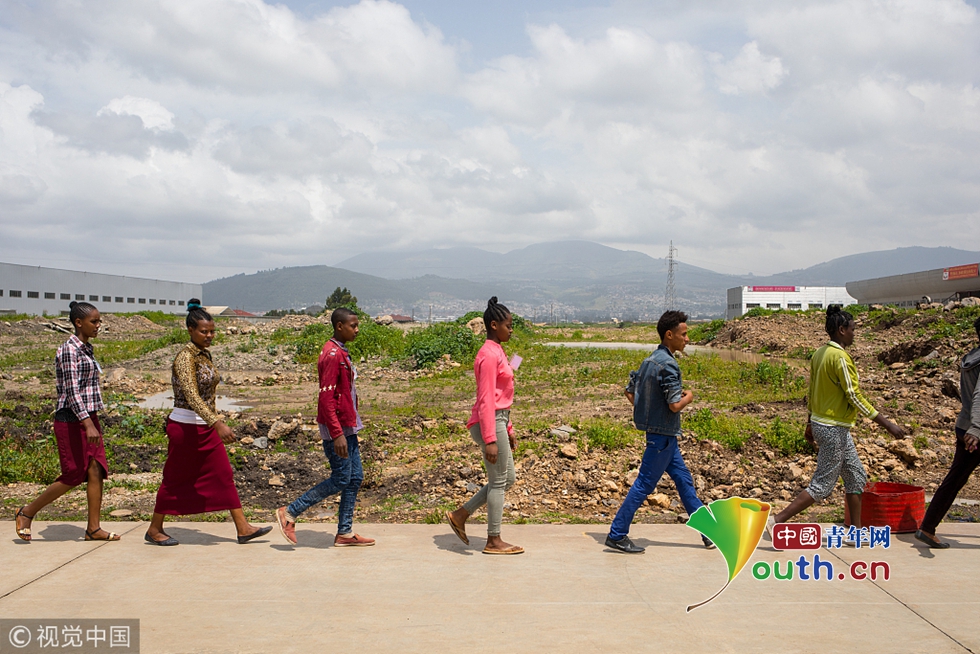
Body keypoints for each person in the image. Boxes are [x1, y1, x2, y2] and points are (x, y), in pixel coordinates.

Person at [767, 305, 904, 542]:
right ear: (841, 330)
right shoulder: (840, 357)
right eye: (852, 329)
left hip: (828, 425)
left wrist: (809, 422)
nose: (854, 334)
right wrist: (887, 424)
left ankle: (856, 533)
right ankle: (776, 521)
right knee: (822, 484)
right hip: (832, 428)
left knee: (856, 476)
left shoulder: (820, 353)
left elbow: (812, 391)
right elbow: (853, 395)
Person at [144, 300, 271, 546]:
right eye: (204, 331)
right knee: (174, 478)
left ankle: (243, 527)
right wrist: (217, 423)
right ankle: (154, 528)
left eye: (212, 331)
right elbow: (192, 396)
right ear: (190, 330)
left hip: (204, 426)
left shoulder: (204, 354)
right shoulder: (185, 358)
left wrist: (213, 421)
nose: (209, 335)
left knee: (223, 474)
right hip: (185, 428)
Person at [605, 310, 714, 553]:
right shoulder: (668, 365)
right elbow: (674, 405)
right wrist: (689, 397)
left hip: (663, 437)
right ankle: (617, 534)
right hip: (662, 437)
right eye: (684, 334)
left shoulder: (649, 361)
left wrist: (650, 412)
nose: (687, 339)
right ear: (669, 335)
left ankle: (708, 531)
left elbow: (630, 393)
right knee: (644, 483)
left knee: (684, 481)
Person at [15, 302, 120, 542]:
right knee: (73, 474)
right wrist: (87, 423)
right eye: (94, 321)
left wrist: (92, 420)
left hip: (89, 417)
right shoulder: (68, 351)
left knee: (96, 469)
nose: (98, 325)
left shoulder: (86, 348)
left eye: (99, 321)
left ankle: (93, 528)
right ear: (78, 323)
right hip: (72, 421)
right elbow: (72, 392)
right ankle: (26, 512)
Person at [275, 307, 374, 547]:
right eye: (353, 326)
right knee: (341, 479)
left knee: (355, 477)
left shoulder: (340, 351)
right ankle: (290, 512)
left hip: (348, 425)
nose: (357, 330)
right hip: (337, 429)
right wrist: (337, 434)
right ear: (339, 326)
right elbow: (326, 398)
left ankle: (345, 533)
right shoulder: (332, 354)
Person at [447, 297, 523, 554]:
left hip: (499, 421)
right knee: (499, 481)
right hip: (489, 423)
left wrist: (509, 429)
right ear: (493, 325)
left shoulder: (499, 351)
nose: (511, 330)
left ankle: (460, 515)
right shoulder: (488, 355)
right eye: (508, 326)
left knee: (507, 478)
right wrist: (490, 438)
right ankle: (493, 540)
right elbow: (486, 398)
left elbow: (503, 396)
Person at [915, 315, 980, 548]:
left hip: (964, 426)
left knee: (954, 480)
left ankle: (927, 527)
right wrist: (976, 428)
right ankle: (927, 527)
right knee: (955, 479)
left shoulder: (972, 357)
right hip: (976, 432)